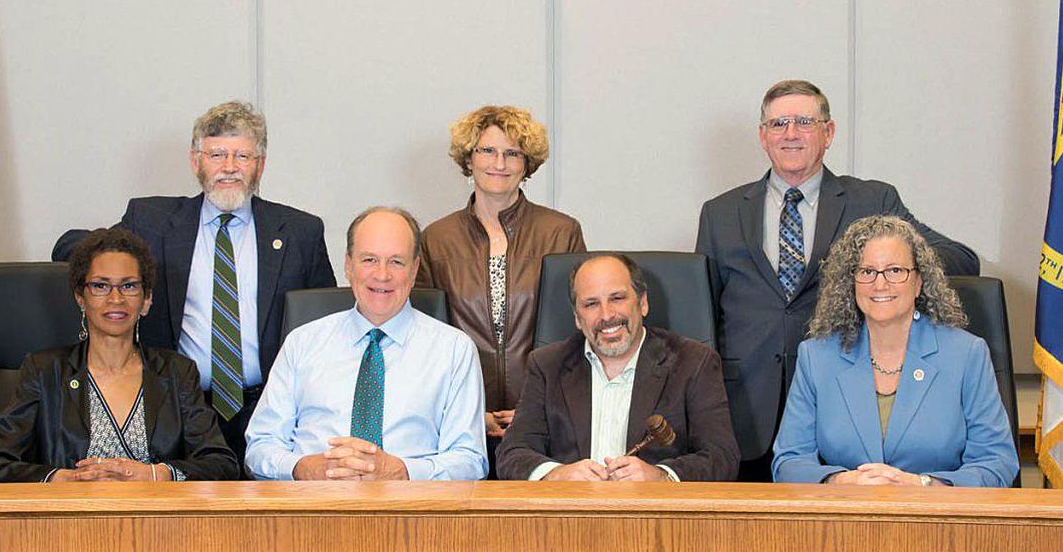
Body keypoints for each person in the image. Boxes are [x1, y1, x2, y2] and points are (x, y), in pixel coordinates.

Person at [695, 80, 980, 480]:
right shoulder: (720, 212)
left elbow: (963, 260)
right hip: (745, 413)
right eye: (778, 124)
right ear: (763, 136)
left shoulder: (872, 201)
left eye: (804, 122)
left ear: (828, 132)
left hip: (843, 410)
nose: (790, 133)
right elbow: (702, 316)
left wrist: (878, 265)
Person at [51, 101, 337, 463]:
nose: (229, 168)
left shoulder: (300, 232)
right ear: (195, 161)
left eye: (242, 156)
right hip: (177, 406)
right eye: (217, 154)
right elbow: (70, 248)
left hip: (271, 411)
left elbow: (326, 328)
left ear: (260, 165)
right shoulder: (152, 222)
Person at [0, 229, 238, 482]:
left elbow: (221, 464)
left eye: (129, 286)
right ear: (80, 298)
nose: (116, 299)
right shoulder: (44, 371)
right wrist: (60, 478)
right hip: (69, 524)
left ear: (146, 300)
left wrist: (157, 475)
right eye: (100, 286)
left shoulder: (177, 372)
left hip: (159, 525)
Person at [771, 216, 1017, 487]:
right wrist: (840, 481)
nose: (880, 284)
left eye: (895, 271)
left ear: (919, 282)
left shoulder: (966, 354)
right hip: (845, 521)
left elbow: (997, 462)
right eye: (866, 272)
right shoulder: (816, 357)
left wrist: (923, 485)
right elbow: (789, 462)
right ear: (850, 283)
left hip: (937, 521)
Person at [245, 207, 487, 481]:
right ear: (348, 264)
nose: (382, 275)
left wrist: (400, 472)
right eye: (369, 259)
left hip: (411, 512)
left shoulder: (454, 350)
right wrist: (303, 468)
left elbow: (470, 460)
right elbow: (260, 447)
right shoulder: (302, 343)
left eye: (396, 261)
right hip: (312, 508)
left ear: (415, 268)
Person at [417, 105, 586, 474]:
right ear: (469, 158)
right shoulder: (436, 239)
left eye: (513, 153)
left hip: (545, 416)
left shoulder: (560, 232)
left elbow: (574, 329)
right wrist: (473, 408)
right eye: (487, 151)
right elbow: (425, 339)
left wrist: (536, 402)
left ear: (527, 165)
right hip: (459, 418)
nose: (500, 163)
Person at [496, 253, 739, 482]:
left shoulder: (693, 362)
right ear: (577, 318)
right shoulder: (547, 365)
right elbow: (512, 453)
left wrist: (661, 476)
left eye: (617, 298)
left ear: (642, 303)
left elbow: (721, 456)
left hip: (655, 519)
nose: (607, 315)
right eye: (591, 304)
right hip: (570, 518)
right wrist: (557, 474)